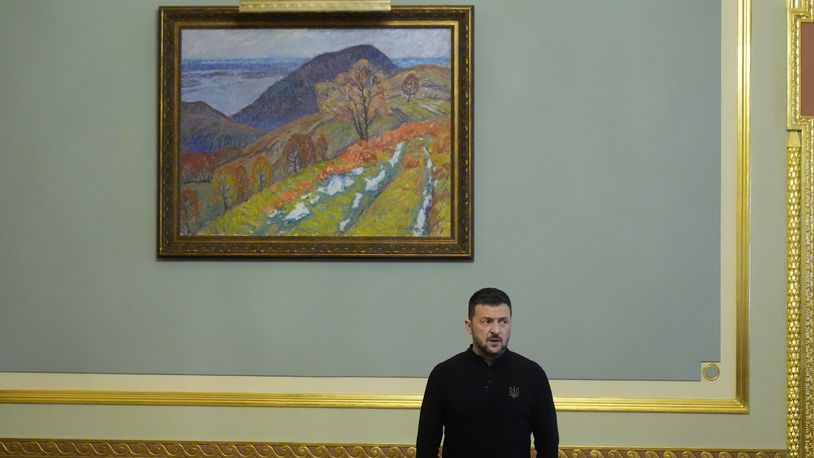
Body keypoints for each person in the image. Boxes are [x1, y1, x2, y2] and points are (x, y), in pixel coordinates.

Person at [415, 287, 559, 458]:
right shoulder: (443, 375)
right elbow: (426, 446)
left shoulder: (532, 375)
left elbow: (548, 446)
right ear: (469, 326)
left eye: (503, 321)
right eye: (487, 321)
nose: (496, 330)